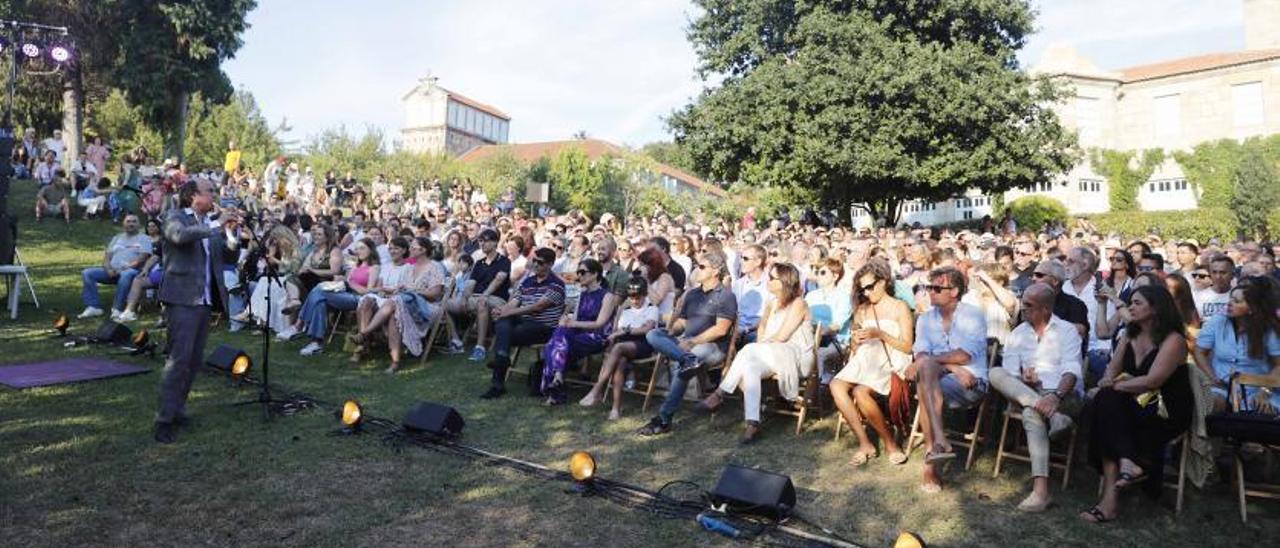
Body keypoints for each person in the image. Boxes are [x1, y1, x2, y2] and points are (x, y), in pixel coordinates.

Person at [1083, 285, 1193, 523]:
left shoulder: (1174, 340)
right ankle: (1127, 463)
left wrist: (1115, 386)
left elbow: (1154, 380)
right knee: (1107, 403)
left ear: (1156, 308)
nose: (1130, 307)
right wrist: (1108, 383)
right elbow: (1111, 372)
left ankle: (1110, 500)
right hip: (1133, 405)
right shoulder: (1129, 334)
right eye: (1130, 302)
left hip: (1166, 410)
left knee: (1107, 405)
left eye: (1137, 303)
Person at [989, 283, 1084, 512]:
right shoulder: (1018, 333)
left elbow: (1071, 370)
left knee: (1031, 413)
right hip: (1027, 392)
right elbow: (1011, 374)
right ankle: (1054, 417)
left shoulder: (1067, 331)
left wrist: (1056, 396)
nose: (1023, 308)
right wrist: (1024, 378)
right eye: (1023, 303)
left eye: (1029, 305)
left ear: (1045, 309)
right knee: (995, 372)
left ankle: (1041, 492)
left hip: (1062, 393)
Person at [697, 262, 814, 444]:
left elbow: (783, 336)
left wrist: (758, 348)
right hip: (773, 352)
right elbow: (762, 330)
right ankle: (753, 423)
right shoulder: (771, 303)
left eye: (772, 278)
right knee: (750, 366)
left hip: (796, 356)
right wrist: (760, 347)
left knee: (749, 349)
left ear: (784, 281)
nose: (768, 280)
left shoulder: (799, 303)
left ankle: (720, 394)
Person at [154, 179, 233, 444]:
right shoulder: (174, 216)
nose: (214, 194)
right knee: (178, 359)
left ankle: (178, 409)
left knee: (194, 361)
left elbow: (225, 258)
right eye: (210, 191)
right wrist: (215, 225)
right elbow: (178, 236)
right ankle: (164, 419)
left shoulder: (209, 224)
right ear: (193, 196)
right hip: (182, 297)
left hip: (205, 299)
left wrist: (232, 237)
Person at [907, 266, 989, 493]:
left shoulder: (973, 315)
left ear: (954, 291)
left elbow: (965, 355)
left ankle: (931, 459)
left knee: (924, 380)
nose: (929, 292)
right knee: (925, 380)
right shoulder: (924, 319)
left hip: (972, 382)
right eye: (927, 287)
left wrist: (944, 365)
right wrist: (951, 366)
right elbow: (921, 353)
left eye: (935, 288)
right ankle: (937, 448)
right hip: (941, 379)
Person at [637, 251, 737, 436]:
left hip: (712, 346)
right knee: (654, 334)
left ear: (715, 271)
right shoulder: (692, 294)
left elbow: (721, 330)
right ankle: (687, 359)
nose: (697, 270)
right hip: (687, 344)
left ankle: (664, 419)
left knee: (684, 365)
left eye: (702, 267)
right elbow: (683, 323)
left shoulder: (726, 296)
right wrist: (672, 331)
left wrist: (692, 342)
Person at [829, 259, 914, 466]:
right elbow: (857, 347)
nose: (866, 293)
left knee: (860, 392)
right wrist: (855, 341)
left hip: (890, 359)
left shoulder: (899, 307)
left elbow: (907, 347)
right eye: (862, 289)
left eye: (869, 287)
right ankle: (864, 442)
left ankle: (890, 443)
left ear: (883, 281)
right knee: (835, 385)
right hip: (866, 358)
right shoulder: (862, 310)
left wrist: (881, 334)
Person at [478, 247, 565, 398]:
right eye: (534, 261)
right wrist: (502, 310)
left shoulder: (556, 284)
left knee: (506, 330)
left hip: (544, 328)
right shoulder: (528, 281)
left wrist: (507, 312)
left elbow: (537, 307)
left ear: (550, 264)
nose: (535, 264)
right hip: (524, 322)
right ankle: (503, 360)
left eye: (540, 262)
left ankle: (498, 376)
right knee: (503, 323)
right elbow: (515, 302)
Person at [1192, 276, 1280, 413]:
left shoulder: (1267, 329)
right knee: (1210, 403)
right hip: (1222, 386)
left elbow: (1278, 365)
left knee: (1265, 410)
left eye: (1237, 301)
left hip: (1257, 386)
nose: (1229, 303)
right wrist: (1211, 377)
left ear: (1252, 308)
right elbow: (1199, 351)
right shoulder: (1218, 320)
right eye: (1230, 299)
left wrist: (1265, 390)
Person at [580, 276, 660, 419]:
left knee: (618, 348)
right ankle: (615, 409)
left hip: (643, 344)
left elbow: (646, 329)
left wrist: (625, 331)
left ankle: (596, 389)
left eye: (637, 297)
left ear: (645, 294)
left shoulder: (651, 308)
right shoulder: (626, 309)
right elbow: (616, 330)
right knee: (620, 361)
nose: (634, 300)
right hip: (624, 345)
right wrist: (620, 331)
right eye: (631, 297)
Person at [539, 258, 617, 404]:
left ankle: (555, 388)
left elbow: (600, 323)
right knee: (559, 336)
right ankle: (557, 378)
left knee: (556, 343)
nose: (579, 276)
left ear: (595, 274)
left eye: (582, 272)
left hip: (598, 337)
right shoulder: (583, 294)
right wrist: (566, 320)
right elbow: (574, 319)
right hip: (578, 335)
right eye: (578, 272)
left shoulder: (607, 296)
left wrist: (572, 323)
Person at [297, 238, 381, 356]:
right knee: (320, 301)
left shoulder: (374, 267)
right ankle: (316, 343)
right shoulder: (355, 267)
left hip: (360, 299)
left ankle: (300, 324)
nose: (359, 251)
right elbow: (345, 282)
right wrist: (340, 279)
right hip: (345, 294)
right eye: (357, 248)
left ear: (371, 250)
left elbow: (368, 291)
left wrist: (348, 282)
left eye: (362, 248)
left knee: (320, 290)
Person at [387, 237, 448, 373]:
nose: (410, 250)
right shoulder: (410, 268)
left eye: (413, 247)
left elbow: (435, 294)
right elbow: (404, 288)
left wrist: (414, 292)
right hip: (407, 303)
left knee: (395, 305)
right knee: (394, 313)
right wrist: (402, 289)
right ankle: (395, 361)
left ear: (424, 250)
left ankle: (365, 333)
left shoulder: (435, 267)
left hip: (427, 307)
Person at [347, 237, 413, 362]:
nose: (392, 251)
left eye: (396, 248)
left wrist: (387, 290)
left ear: (404, 250)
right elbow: (378, 286)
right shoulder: (385, 266)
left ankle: (361, 343)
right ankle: (363, 343)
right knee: (367, 300)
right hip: (381, 297)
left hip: (396, 300)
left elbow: (404, 289)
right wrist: (382, 289)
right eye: (391, 248)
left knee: (368, 301)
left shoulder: (408, 268)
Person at [78, 214, 152, 319]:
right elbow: (107, 257)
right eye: (128, 221)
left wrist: (121, 269)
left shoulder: (144, 238)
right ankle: (94, 307)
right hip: (112, 271)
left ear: (139, 224)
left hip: (133, 271)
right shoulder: (117, 238)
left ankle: (117, 309)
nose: (131, 224)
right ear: (123, 224)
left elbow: (142, 258)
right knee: (87, 273)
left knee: (126, 274)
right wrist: (108, 269)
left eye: (134, 221)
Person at [455, 229, 511, 360]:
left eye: (486, 240)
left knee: (482, 303)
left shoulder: (504, 261)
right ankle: (455, 340)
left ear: (495, 242)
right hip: (476, 297)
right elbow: (470, 284)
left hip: (497, 299)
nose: (482, 243)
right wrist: (464, 297)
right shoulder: (479, 263)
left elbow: (499, 280)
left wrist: (484, 295)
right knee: (448, 305)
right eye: (481, 240)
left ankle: (479, 348)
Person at [805, 257, 853, 381]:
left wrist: (818, 332)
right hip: (811, 338)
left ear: (835, 276)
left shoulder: (844, 297)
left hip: (835, 341)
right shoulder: (811, 296)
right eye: (816, 272)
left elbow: (836, 326)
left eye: (823, 272)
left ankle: (819, 390)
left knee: (819, 354)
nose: (818, 276)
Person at [116, 219, 166, 322]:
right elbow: (156, 256)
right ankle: (129, 311)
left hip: (176, 274)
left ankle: (166, 313)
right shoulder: (164, 241)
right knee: (138, 280)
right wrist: (146, 269)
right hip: (162, 272)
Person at [731, 244, 771, 343]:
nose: (741, 261)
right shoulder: (739, 284)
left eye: (745, 258)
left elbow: (768, 316)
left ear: (758, 262)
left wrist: (746, 330)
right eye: (741, 258)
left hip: (757, 330)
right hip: (736, 329)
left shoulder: (770, 284)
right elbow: (733, 312)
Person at [1194, 255, 1234, 320]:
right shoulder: (1198, 297)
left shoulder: (1238, 298)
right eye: (1214, 272)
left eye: (1223, 273)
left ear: (1232, 275)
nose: (1218, 277)